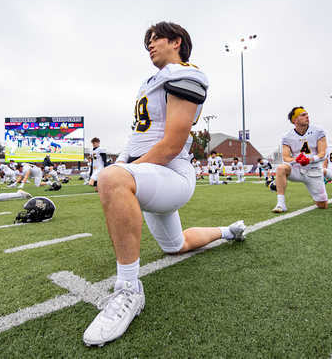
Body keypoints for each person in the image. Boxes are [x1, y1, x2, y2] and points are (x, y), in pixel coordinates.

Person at [82, 21, 246, 347]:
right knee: (176, 246)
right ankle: (229, 231)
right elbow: (137, 137)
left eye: (156, 39)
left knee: (113, 178)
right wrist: (121, 164)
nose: (150, 45)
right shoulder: (150, 82)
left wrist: (120, 174)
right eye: (148, 42)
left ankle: (129, 290)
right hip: (151, 174)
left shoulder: (187, 73)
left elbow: (172, 144)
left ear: (177, 41)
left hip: (172, 174)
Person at [272, 106, 328, 213]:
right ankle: (281, 204)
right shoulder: (287, 136)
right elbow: (286, 158)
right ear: (295, 120)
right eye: (303, 115)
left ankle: (316, 195)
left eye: (307, 114)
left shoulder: (318, 130)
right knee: (281, 168)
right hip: (297, 170)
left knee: (322, 205)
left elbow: (323, 154)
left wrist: (309, 159)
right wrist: (297, 160)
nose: (307, 116)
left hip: (314, 171)